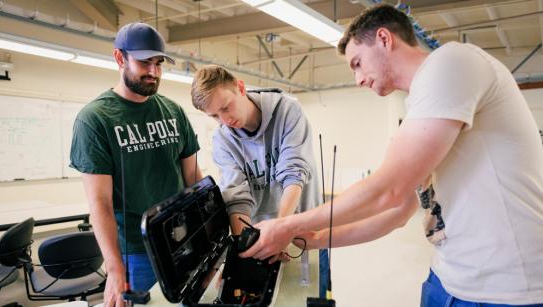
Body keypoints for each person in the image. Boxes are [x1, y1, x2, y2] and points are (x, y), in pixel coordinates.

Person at [240, 4, 543, 306]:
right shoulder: (421, 107)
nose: (358, 78)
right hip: (449, 278)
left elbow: (389, 190)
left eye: (357, 63)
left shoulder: (452, 61)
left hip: (507, 288)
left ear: (384, 39)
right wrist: (313, 239)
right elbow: (396, 214)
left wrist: (286, 225)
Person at [70, 22, 202, 307]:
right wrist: (115, 270)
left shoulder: (173, 112)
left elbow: (193, 179)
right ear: (120, 58)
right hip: (136, 252)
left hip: (181, 241)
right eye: (144, 62)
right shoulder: (95, 120)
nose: (153, 72)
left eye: (158, 63)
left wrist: (203, 233)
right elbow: (100, 203)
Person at [190, 64, 322, 263]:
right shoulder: (222, 140)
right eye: (215, 116)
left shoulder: (287, 110)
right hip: (261, 238)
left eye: (226, 107)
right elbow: (236, 197)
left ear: (240, 88)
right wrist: (245, 250)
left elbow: (293, 173)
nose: (225, 120)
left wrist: (280, 232)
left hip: (303, 231)